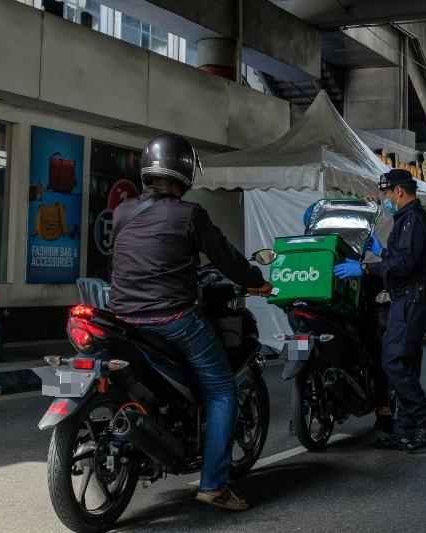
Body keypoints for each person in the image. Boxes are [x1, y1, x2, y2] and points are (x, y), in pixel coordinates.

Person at [110, 133, 272, 511]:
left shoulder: (122, 213)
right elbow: (226, 258)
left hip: (124, 319)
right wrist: (256, 281)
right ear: (184, 172)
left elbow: (116, 265)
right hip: (173, 318)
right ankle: (214, 485)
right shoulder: (188, 214)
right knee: (221, 391)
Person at [333, 169, 426, 452]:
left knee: (393, 361)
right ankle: (405, 431)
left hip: (412, 298)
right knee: (405, 364)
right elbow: (402, 258)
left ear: (398, 191)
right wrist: (382, 251)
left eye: (386, 193)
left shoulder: (413, 220)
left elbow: (405, 265)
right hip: (407, 298)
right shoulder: (405, 220)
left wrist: (365, 267)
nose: (384, 198)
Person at [304, 199, 394, 433]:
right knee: (376, 351)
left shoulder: (308, 250)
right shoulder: (348, 249)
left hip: (311, 311)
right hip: (343, 312)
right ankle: (384, 410)